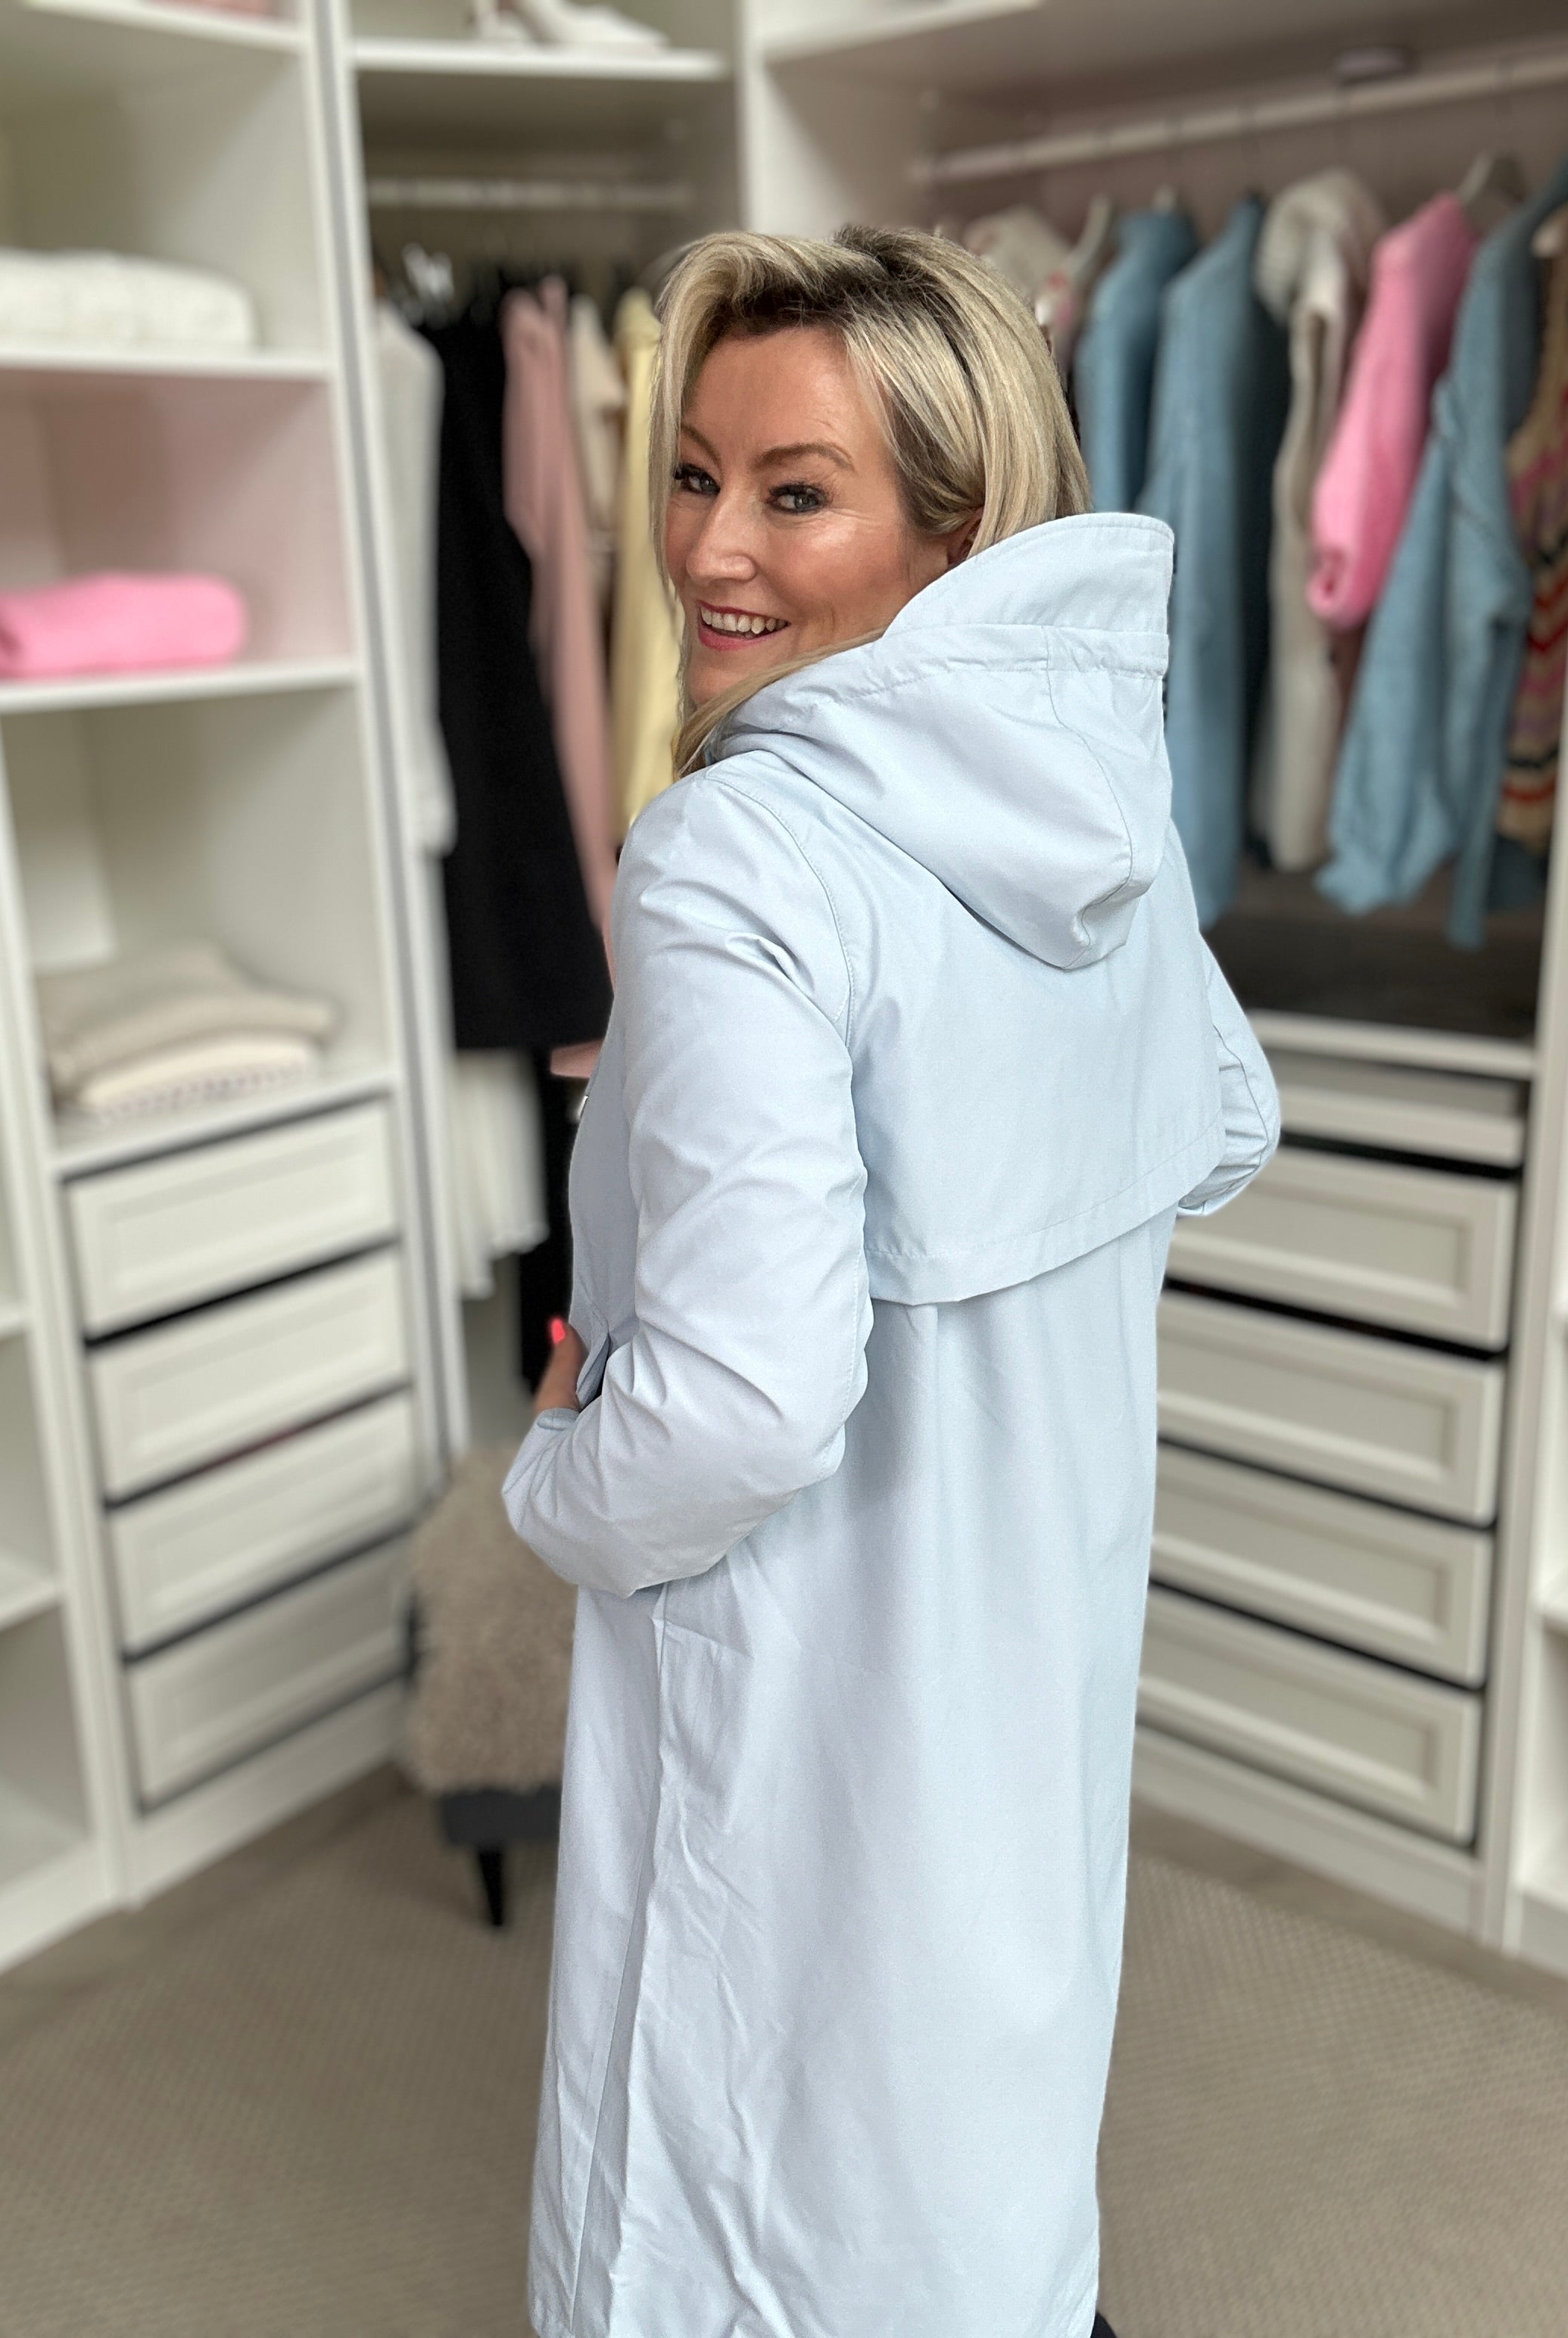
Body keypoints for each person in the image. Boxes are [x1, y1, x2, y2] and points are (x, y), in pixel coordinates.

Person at [504, 226, 1278, 2338]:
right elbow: (1224, 1119)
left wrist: (558, 1484)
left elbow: (744, 1401)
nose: (707, 550)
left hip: (808, 1664)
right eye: (692, 473)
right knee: (972, 2167)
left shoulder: (740, 849)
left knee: (743, 2195)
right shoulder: (1092, 800)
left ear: (952, 529)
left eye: (796, 491)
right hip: (1031, 1639)